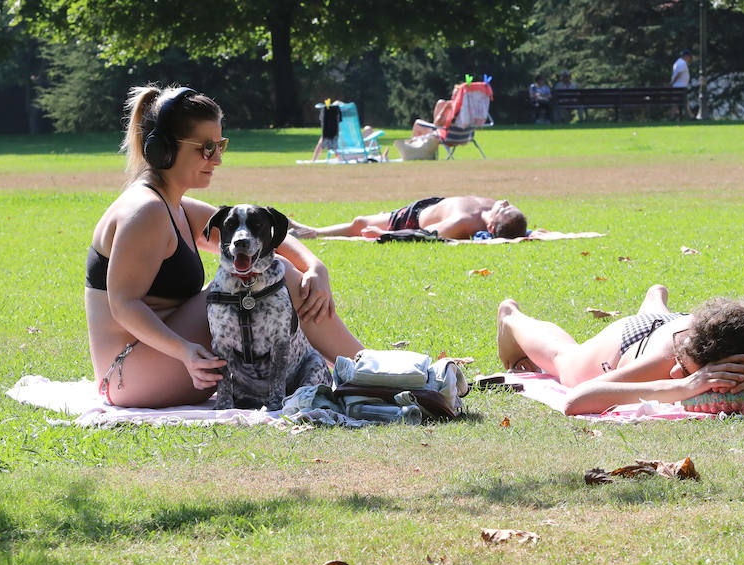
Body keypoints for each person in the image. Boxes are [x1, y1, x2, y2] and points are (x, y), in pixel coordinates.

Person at [87, 84, 364, 408]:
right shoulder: (145, 211)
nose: (217, 158)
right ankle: (366, 370)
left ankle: (362, 368)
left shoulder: (175, 205)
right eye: (206, 148)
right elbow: (124, 305)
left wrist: (316, 267)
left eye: (221, 145)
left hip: (154, 361)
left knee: (274, 270)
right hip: (127, 376)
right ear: (164, 149)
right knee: (277, 276)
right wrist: (184, 351)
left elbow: (260, 238)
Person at [495, 285, 744, 415]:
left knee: (665, 318)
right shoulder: (670, 358)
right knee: (566, 362)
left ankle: (655, 300)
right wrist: (686, 385)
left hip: (685, 324)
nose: (678, 371)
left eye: (683, 369)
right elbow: (577, 399)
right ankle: (511, 316)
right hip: (636, 338)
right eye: (683, 365)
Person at [292, 196, 528, 241]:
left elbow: (428, 234)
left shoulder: (464, 221)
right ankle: (310, 231)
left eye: (505, 210)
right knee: (361, 220)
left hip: (411, 219)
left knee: (360, 222)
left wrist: (386, 234)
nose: (505, 203)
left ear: (490, 226)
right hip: (429, 204)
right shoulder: (491, 208)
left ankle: (311, 232)